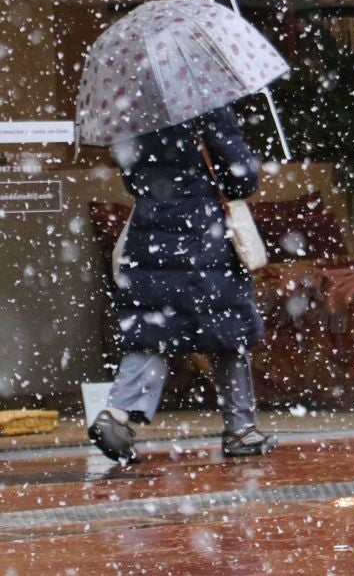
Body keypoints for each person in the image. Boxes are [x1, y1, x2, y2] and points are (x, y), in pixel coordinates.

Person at [88, 106, 277, 464]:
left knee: (152, 326)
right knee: (227, 329)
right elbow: (241, 179)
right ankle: (240, 428)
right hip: (205, 236)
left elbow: (132, 180)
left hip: (151, 233)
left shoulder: (137, 109)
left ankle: (116, 414)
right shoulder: (207, 104)